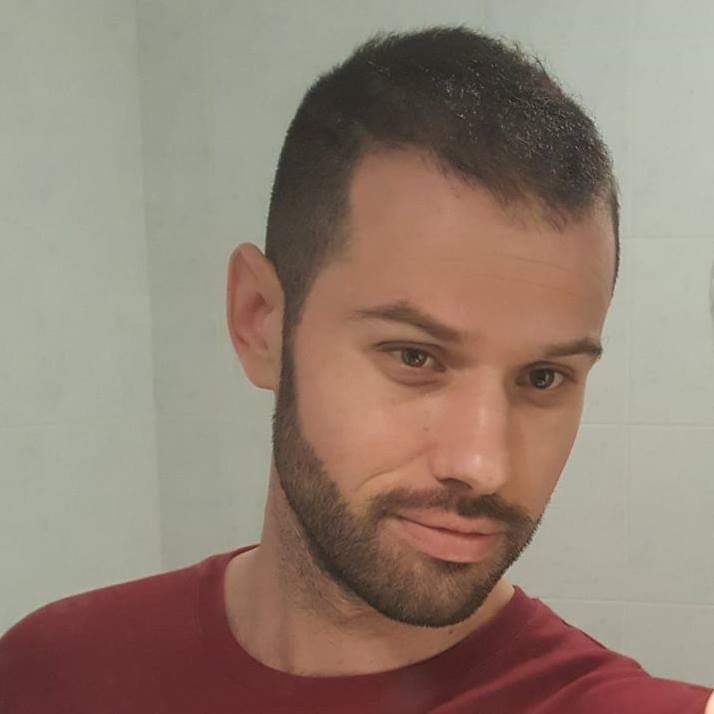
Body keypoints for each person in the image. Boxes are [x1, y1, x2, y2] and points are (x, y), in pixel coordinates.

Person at [0, 25, 712, 714]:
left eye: (543, 377)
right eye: (415, 357)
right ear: (259, 320)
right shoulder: (51, 674)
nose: (482, 466)